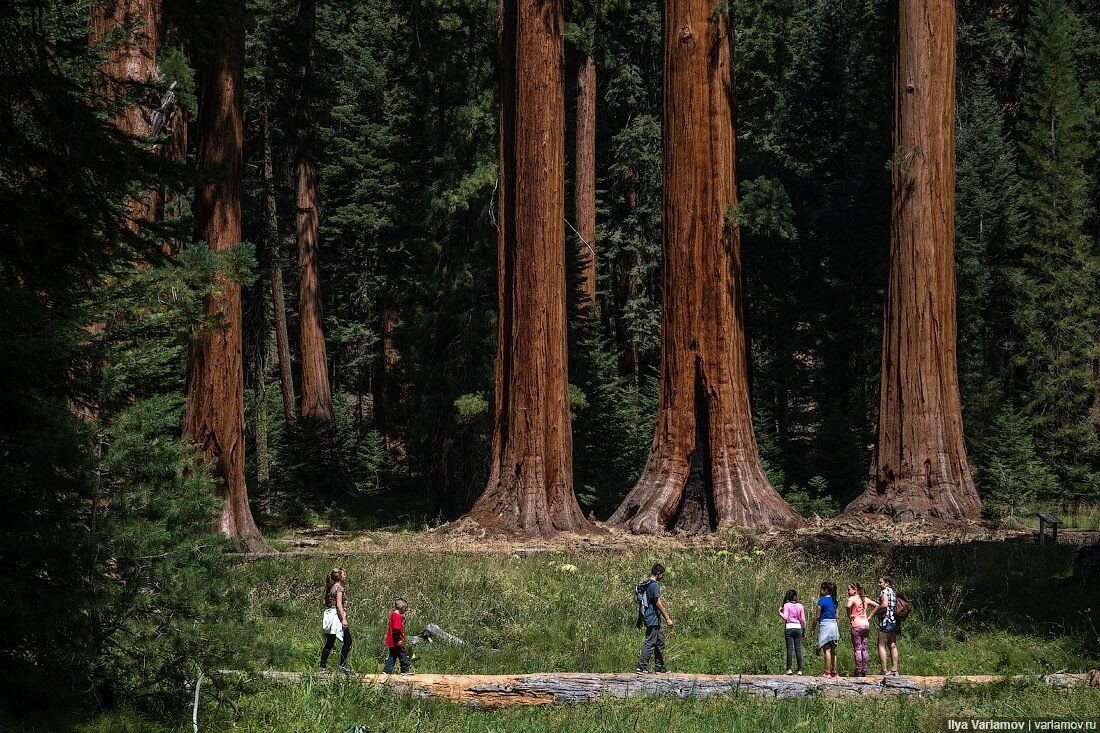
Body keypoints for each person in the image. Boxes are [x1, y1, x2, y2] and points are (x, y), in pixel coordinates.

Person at [635, 563, 674, 674]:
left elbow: (642, 603)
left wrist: (639, 619)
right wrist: (667, 618)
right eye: (662, 575)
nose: (662, 577)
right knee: (651, 642)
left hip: (651, 617)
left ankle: (659, 667)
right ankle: (641, 667)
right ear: (658, 574)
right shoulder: (654, 585)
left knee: (660, 640)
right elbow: (658, 603)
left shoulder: (646, 584)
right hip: (652, 618)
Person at [320, 568, 354, 674]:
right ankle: (343, 665)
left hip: (329, 615)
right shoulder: (339, 588)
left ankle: (322, 667)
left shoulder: (330, 588)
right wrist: (343, 619)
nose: (345, 576)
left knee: (330, 642)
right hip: (337, 617)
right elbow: (339, 604)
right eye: (344, 574)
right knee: (348, 641)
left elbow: (324, 602)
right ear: (339, 576)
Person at [845, 582, 878, 677]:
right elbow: (876, 605)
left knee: (858, 648)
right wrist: (870, 616)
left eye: (849, 589)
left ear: (854, 590)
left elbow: (847, 606)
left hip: (856, 625)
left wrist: (849, 615)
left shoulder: (852, 598)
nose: (848, 592)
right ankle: (865, 669)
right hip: (865, 625)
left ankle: (858, 670)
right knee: (864, 648)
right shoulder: (864, 599)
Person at [871, 575, 900, 676]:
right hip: (893, 621)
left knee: (881, 645)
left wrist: (874, 612)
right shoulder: (892, 592)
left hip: (885, 620)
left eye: (880, 582)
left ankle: (884, 670)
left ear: (887, 583)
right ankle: (894, 669)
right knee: (892, 645)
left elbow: (884, 605)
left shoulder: (884, 592)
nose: (878, 584)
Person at [812, 581, 840, 678]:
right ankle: (834, 671)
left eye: (822, 588)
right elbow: (837, 616)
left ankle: (827, 671)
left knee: (826, 650)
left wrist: (813, 628)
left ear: (826, 590)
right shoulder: (835, 601)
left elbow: (817, 616)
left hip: (825, 626)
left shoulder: (821, 601)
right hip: (834, 625)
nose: (820, 590)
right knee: (833, 650)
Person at [778, 589, 806, 675]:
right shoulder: (800, 606)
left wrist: (779, 612)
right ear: (795, 597)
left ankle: (789, 669)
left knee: (789, 649)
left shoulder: (786, 605)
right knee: (798, 649)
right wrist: (804, 630)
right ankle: (800, 670)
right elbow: (803, 620)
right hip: (798, 628)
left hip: (789, 627)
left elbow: (786, 617)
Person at [383, 598, 413, 674]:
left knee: (392, 656)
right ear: (401, 607)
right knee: (403, 655)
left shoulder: (393, 615)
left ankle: (387, 670)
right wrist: (398, 640)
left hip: (392, 641)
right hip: (397, 640)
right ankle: (405, 669)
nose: (405, 610)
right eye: (405, 608)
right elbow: (396, 629)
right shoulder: (397, 617)